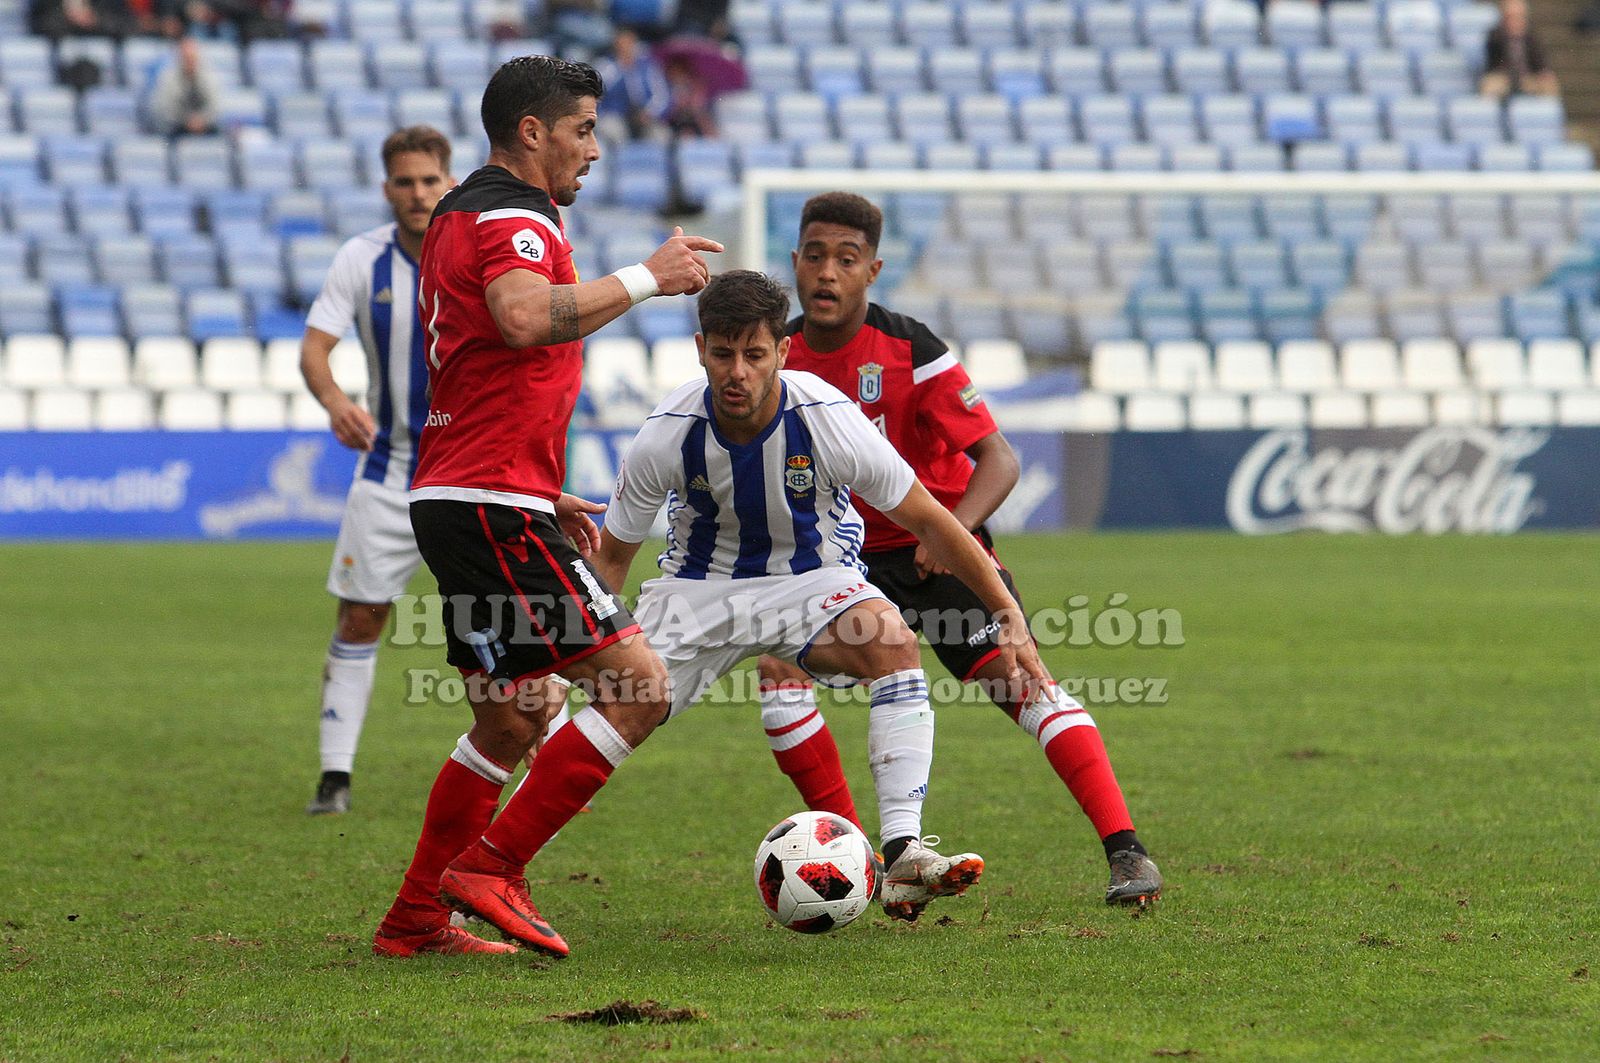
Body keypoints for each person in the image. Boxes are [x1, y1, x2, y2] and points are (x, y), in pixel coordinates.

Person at [372, 55, 722, 958]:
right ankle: (491, 869)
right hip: (488, 500)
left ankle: (414, 921)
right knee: (640, 686)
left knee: (511, 717)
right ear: (532, 132)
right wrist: (645, 278)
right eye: (583, 129)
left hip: (471, 490)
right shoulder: (511, 214)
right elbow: (523, 317)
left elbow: (485, 352)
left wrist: (537, 481)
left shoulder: (463, 213)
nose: (595, 149)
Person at [581, 270, 1052, 923]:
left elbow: (932, 519)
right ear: (700, 349)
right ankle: (485, 869)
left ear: (783, 350)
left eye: (754, 354)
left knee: (891, 641)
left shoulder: (827, 416)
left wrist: (1008, 615)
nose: (738, 371)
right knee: (597, 715)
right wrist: (563, 662)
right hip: (696, 592)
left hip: (810, 584)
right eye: (724, 353)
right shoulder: (668, 429)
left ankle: (903, 852)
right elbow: (610, 559)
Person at [753, 192, 1164, 907]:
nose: (827, 272)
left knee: (1022, 680)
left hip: (932, 550)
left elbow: (999, 459)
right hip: (840, 562)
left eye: (846, 259)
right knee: (777, 671)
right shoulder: (776, 359)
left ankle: (1126, 852)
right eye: (814, 256)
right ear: (795, 262)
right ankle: (864, 861)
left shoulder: (911, 349)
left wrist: (951, 529)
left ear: (872, 270)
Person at [299, 125, 462, 816]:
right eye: (405, 182)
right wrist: (337, 402)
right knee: (361, 617)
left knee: (506, 622)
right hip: (390, 471)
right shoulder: (360, 259)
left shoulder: (478, 250)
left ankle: (541, 764)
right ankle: (334, 777)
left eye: (429, 180)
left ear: (449, 182)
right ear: (386, 188)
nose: (418, 193)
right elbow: (315, 348)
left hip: (472, 472)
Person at [1481, 0, 1559, 98]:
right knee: (1489, 85)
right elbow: (1492, 65)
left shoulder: (1532, 37)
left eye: (1518, 17)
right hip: (1504, 79)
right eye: (1510, 17)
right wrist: (1507, 36)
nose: (1514, 21)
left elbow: (1541, 64)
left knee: (1549, 83)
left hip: (1528, 79)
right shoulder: (1495, 36)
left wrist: (1543, 74)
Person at [148, 36, 218, 137]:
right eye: (186, 58)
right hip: (177, 125)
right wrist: (187, 121)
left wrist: (201, 120)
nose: (190, 61)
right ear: (179, 58)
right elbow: (164, 108)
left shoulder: (209, 77)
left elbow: (215, 106)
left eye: (192, 58)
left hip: (204, 125)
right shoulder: (167, 78)